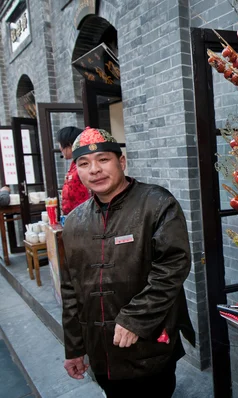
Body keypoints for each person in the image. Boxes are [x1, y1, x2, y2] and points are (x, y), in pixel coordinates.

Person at [60, 127, 195, 398]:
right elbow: (70, 288)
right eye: (84, 164)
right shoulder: (74, 221)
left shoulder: (156, 204)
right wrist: (74, 348)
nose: (94, 170)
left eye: (103, 160)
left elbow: (173, 266)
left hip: (149, 344)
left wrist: (136, 318)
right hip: (101, 351)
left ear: (121, 162)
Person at [56, 126, 90, 215]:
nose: (60, 148)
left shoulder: (84, 163)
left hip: (84, 214)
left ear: (70, 144)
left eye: (60, 144)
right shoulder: (74, 163)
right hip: (73, 215)